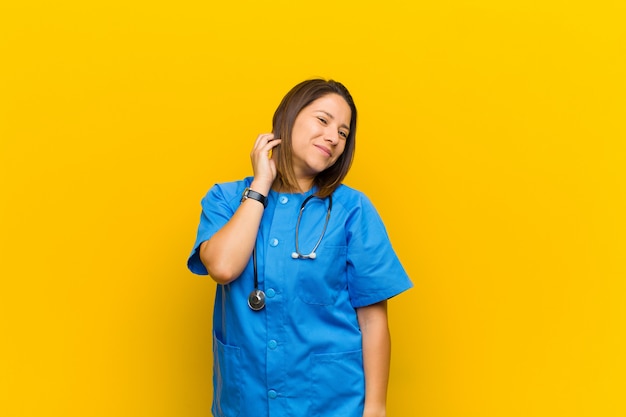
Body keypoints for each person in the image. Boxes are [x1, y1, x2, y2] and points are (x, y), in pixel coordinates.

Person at [187, 78, 412, 417]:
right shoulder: (226, 199)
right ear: (288, 117)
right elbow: (222, 267)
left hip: (331, 403)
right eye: (323, 120)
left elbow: (372, 321)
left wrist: (376, 408)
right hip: (246, 401)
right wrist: (261, 185)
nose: (333, 137)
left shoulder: (353, 210)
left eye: (343, 132)